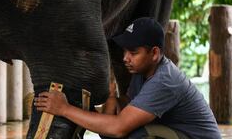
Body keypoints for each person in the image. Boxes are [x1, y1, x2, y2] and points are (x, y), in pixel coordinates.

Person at [34, 17, 221, 139]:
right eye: (124, 51)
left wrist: (64, 109)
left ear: (154, 53)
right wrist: (113, 99)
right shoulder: (143, 72)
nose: (125, 58)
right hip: (177, 133)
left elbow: (118, 128)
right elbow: (129, 108)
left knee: (135, 136)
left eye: (133, 52)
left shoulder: (165, 80)